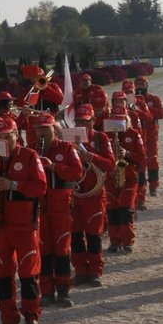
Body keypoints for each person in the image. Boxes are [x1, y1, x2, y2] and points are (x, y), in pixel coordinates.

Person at [0, 114, 48, 324]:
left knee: (28, 274)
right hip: (0, 225)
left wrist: (13, 184)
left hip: (24, 225)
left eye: (7, 136)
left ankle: (31, 317)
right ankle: (8, 320)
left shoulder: (30, 156)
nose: (3, 140)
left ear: (16, 135)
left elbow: (41, 187)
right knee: (2, 275)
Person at [31, 112, 84, 307]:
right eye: (39, 129)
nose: (42, 132)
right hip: (41, 206)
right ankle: (46, 290)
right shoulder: (33, 150)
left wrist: (54, 166)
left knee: (62, 248)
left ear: (54, 129)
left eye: (45, 128)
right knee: (43, 249)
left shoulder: (67, 148)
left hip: (60, 205)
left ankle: (63, 290)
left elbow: (77, 172)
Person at [69, 105, 116, 285]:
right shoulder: (70, 139)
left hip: (94, 195)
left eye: (85, 121)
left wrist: (92, 157)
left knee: (93, 235)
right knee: (75, 235)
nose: (81, 125)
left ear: (93, 121)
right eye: (78, 121)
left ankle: (95, 271)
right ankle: (81, 271)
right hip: (75, 195)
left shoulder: (100, 137)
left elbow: (111, 165)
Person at [107, 95, 146, 254]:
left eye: (121, 120)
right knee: (112, 210)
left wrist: (127, 152)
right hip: (112, 176)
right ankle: (115, 241)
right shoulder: (105, 136)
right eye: (115, 120)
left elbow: (142, 156)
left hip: (129, 176)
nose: (118, 124)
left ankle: (127, 240)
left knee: (125, 208)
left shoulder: (134, 134)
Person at [134, 77, 163, 200]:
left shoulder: (154, 99)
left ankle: (154, 186)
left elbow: (162, 114)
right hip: (137, 135)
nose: (140, 86)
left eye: (142, 84)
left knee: (152, 161)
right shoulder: (131, 99)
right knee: (139, 162)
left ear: (147, 85)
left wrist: (145, 108)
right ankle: (140, 188)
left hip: (151, 135)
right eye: (137, 84)